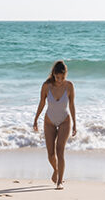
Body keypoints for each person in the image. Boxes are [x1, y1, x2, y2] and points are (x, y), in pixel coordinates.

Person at [33, 60, 77, 189]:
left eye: (62, 77)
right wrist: (36, 119)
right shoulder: (46, 86)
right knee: (51, 154)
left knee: (60, 151)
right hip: (49, 121)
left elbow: (72, 105)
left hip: (64, 120)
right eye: (58, 77)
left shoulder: (69, 86)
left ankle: (60, 181)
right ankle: (56, 170)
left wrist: (75, 123)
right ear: (53, 74)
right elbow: (41, 103)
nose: (60, 80)